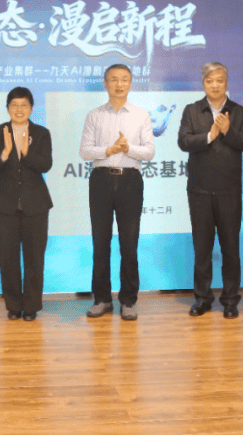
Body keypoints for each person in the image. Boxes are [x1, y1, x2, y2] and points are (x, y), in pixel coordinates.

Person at [178, 62, 243, 319]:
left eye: (220, 80)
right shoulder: (192, 110)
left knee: (230, 248)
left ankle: (230, 301)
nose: (215, 85)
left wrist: (228, 131)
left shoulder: (239, 112)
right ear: (203, 83)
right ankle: (202, 299)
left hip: (228, 191)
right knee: (202, 249)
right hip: (199, 191)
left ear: (226, 83)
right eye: (210, 80)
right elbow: (183, 141)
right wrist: (210, 135)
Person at [79, 64, 155, 321]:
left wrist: (127, 147)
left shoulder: (141, 115)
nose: (119, 84)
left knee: (129, 244)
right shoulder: (94, 115)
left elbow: (149, 152)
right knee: (100, 243)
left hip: (130, 181)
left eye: (124, 79)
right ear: (105, 83)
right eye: (113, 79)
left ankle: (128, 300)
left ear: (131, 83)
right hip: (101, 180)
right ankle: (101, 299)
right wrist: (109, 150)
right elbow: (85, 151)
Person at [0, 87, 53, 321]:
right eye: (14, 105)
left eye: (24, 105)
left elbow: (45, 165)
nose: (19, 109)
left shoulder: (41, 133)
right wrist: (6, 152)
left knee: (34, 259)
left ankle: (31, 306)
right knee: (8, 258)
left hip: (36, 205)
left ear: (31, 108)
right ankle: (13, 306)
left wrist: (25, 151)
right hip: (5, 205)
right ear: (8, 108)